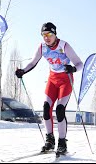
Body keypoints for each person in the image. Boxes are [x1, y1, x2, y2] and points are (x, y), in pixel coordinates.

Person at [15, 22, 83, 154]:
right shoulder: (42, 47)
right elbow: (33, 62)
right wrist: (23, 71)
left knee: (60, 109)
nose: (46, 37)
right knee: (46, 108)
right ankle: (50, 140)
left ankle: (62, 142)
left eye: (49, 34)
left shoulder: (64, 46)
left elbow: (80, 64)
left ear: (55, 34)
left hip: (65, 80)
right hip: (52, 80)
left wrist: (73, 68)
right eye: (44, 34)